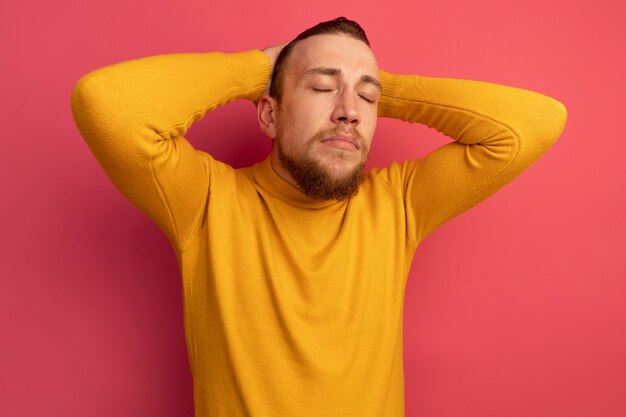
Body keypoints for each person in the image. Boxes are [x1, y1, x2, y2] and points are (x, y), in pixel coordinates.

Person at [70, 16, 567, 417]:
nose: (350, 111)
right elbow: (109, 107)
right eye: (322, 88)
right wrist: (262, 66)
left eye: (367, 99)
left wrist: (373, 85)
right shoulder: (205, 200)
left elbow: (534, 123)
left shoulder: (398, 203)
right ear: (269, 114)